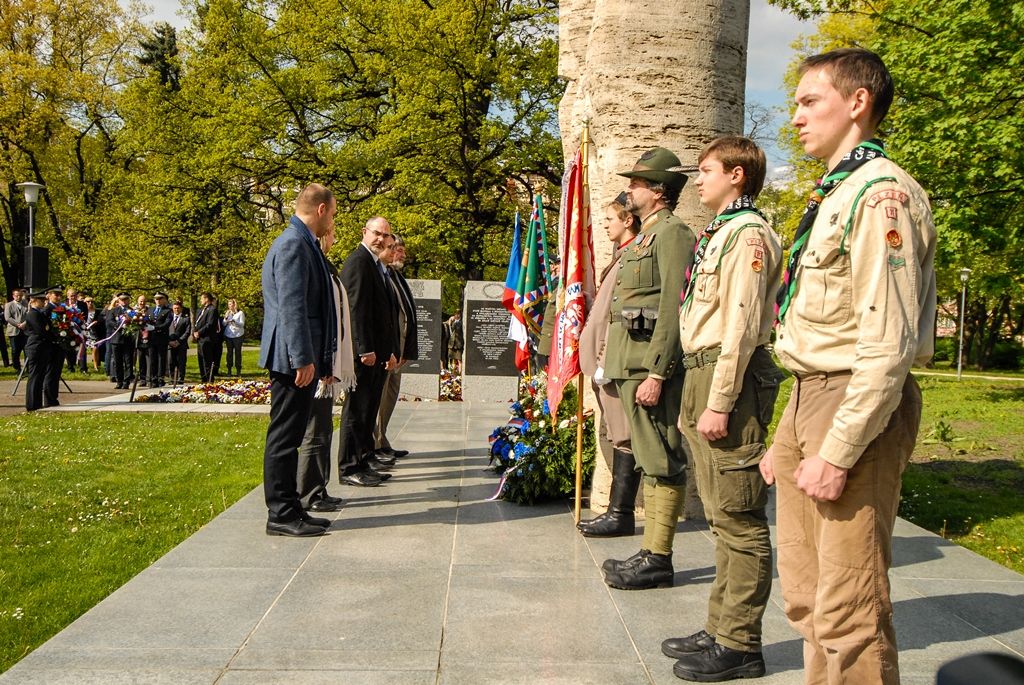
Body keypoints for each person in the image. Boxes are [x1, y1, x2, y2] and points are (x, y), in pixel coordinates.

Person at [759, 48, 937, 685]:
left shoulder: (880, 195)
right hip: (812, 392)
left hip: (854, 401)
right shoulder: (837, 192)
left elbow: (885, 345)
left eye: (810, 102)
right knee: (806, 597)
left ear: (857, 103)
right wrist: (788, 434)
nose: (797, 118)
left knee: (849, 606)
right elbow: (813, 329)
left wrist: (835, 451)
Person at [661, 136, 783, 682]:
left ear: (738, 175)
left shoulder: (749, 236)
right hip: (703, 369)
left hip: (726, 377)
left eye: (707, 170)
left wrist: (720, 401)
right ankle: (719, 627)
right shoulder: (722, 233)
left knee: (739, 513)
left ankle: (740, 643)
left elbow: (738, 326)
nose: (699, 179)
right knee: (717, 511)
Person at [600, 147, 695, 591]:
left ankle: (660, 557)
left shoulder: (673, 234)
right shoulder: (646, 236)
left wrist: (658, 372)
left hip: (647, 367)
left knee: (661, 459)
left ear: (657, 192)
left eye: (636, 183)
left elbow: (674, 306)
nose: (629, 189)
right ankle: (652, 551)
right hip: (630, 362)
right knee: (649, 458)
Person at [259, 183, 338, 537]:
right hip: (292, 359)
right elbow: (292, 306)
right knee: (285, 436)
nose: (332, 221)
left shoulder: (305, 243)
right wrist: (302, 358)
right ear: (320, 209)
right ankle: (280, 513)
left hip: (299, 357)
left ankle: (291, 507)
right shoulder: (293, 244)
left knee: (292, 435)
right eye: (332, 214)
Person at [577, 193, 641, 538]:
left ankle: (621, 514)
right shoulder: (620, 257)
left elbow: (620, 316)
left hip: (614, 361)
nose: (604, 224)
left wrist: (606, 357)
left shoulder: (633, 256)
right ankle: (619, 512)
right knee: (618, 435)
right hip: (604, 361)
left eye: (610, 219)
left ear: (628, 220)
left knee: (624, 437)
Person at [336, 217, 400, 486]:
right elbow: (355, 310)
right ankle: (350, 467)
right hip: (363, 354)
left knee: (368, 409)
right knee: (357, 411)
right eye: (377, 233)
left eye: (386, 236)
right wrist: (364, 348)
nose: (381, 240)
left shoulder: (375, 265)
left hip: (377, 355)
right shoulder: (358, 262)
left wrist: (387, 352)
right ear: (365, 232)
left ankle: (363, 459)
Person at [297, 223, 356, 513]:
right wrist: (322, 360)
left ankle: (318, 487)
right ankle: (308, 493)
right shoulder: (315, 263)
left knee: (323, 429)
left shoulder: (327, 265)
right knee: (315, 430)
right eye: (332, 231)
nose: (334, 236)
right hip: (320, 363)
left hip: (327, 360)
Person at [374, 234, 418, 460]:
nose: (401, 254)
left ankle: (382, 439)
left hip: (398, 351)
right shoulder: (381, 276)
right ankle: (374, 444)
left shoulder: (396, 276)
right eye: (398, 249)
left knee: (390, 397)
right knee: (379, 399)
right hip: (387, 351)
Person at [23, 291, 57, 411]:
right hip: (36, 347)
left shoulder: (39, 313)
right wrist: (51, 336)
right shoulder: (32, 314)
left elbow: (47, 327)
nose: (44, 302)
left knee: (40, 376)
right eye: (41, 300)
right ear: (33, 301)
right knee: (35, 376)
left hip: (42, 347)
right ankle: (32, 404)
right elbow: (41, 330)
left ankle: (37, 403)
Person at [106, 292, 134, 389]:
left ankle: (127, 381)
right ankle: (119, 381)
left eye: (126, 299)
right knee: (117, 362)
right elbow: (109, 321)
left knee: (128, 361)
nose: (124, 301)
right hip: (116, 339)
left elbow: (137, 321)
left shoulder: (132, 311)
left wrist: (131, 324)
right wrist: (119, 325)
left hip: (128, 339)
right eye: (122, 299)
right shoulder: (114, 310)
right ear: (119, 300)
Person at [193, 293, 220, 382]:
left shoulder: (212, 309)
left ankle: (208, 379)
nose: (201, 300)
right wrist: (195, 332)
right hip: (200, 339)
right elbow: (197, 322)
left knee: (207, 360)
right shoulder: (202, 310)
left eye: (202, 298)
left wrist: (199, 332)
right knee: (201, 360)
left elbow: (210, 324)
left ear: (206, 299)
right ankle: (203, 378)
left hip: (207, 338)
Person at [146, 292, 171, 387]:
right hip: (151, 338)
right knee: (152, 358)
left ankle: (160, 378)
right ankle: (153, 378)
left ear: (164, 300)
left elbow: (166, 324)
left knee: (161, 359)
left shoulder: (167, 311)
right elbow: (146, 320)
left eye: (160, 298)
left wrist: (155, 328)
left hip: (161, 338)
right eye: (156, 299)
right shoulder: (150, 310)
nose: (158, 300)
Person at [168, 300, 192, 385]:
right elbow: (166, 331)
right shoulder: (169, 318)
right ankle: (172, 379)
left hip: (181, 344)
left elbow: (187, 332)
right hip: (170, 344)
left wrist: (179, 341)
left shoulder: (186, 319)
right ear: (172, 309)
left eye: (178, 308)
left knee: (181, 363)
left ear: (181, 309)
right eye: (175, 308)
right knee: (171, 362)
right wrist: (169, 342)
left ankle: (180, 379)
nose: (176, 310)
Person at [5, 288, 28, 373]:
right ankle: (17, 368)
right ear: (13, 296)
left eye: (20, 295)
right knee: (15, 350)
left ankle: (28, 368)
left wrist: (24, 324)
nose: (18, 297)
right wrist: (18, 324)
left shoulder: (25, 303)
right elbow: (7, 317)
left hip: (25, 330)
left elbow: (28, 315)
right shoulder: (9, 305)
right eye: (16, 295)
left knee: (26, 350)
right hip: (14, 330)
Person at [82, 296, 106, 372]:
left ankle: (96, 366)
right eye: (88, 302)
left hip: (94, 334)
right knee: (83, 350)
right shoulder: (82, 312)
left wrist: (96, 322)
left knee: (95, 349)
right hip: (84, 333)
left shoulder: (97, 311)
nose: (90, 303)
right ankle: (82, 366)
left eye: (92, 301)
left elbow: (101, 320)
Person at [222, 298, 245, 376]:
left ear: (235, 305)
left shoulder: (240, 313)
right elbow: (224, 324)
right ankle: (229, 370)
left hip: (238, 335)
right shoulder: (228, 313)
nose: (229, 306)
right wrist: (225, 318)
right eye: (228, 304)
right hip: (229, 335)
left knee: (238, 353)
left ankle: (238, 370)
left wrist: (234, 321)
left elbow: (242, 324)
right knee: (229, 353)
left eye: (231, 304)